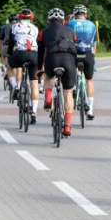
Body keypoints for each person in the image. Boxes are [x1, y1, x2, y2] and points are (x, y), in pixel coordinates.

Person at [38, 8, 78, 137]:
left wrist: (39, 69)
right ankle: (67, 126)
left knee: (49, 76)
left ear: (48, 20)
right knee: (68, 93)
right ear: (63, 21)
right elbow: (74, 49)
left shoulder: (43, 32)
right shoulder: (71, 31)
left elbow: (40, 53)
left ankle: (48, 97)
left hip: (52, 59)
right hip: (68, 61)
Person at [6, 8, 40, 124]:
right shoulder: (35, 28)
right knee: (34, 84)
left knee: (9, 67)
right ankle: (34, 111)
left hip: (20, 53)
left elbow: (11, 44)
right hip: (33, 55)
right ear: (31, 18)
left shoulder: (14, 27)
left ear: (20, 17)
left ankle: (15, 86)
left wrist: (9, 55)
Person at [66, 4, 98, 120]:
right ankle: (90, 109)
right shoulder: (92, 25)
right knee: (89, 80)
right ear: (85, 15)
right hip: (88, 54)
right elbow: (94, 44)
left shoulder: (70, 23)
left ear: (74, 15)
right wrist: (92, 56)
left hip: (74, 53)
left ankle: (74, 88)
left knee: (71, 71)